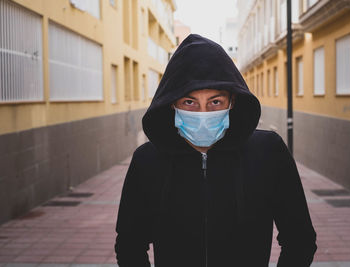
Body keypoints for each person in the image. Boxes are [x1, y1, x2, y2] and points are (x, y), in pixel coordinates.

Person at [115, 34, 317, 267]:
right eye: (189, 102)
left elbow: (300, 238)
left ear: (232, 102)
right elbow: (130, 244)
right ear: (172, 104)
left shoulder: (268, 152)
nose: (202, 113)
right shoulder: (148, 160)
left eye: (215, 102)